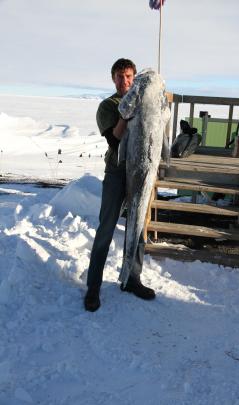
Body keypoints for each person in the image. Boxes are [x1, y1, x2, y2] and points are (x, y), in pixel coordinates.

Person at [84, 58, 156, 312]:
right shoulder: (107, 107)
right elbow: (114, 141)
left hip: (140, 173)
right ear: (112, 79)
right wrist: (126, 114)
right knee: (106, 228)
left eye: (128, 76)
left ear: (134, 77)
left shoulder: (145, 103)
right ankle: (93, 287)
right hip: (117, 172)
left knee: (137, 229)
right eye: (119, 76)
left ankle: (132, 279)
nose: (124, 81)